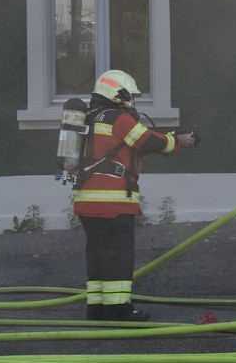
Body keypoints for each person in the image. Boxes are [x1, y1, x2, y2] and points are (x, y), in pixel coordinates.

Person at [72, 69, 197, 322]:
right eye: (128, 96)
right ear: (116, 94)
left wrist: (169, 140)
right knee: (119, 255)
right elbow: (146, 141)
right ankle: (119, 309)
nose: (130, 101)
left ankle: (96, 309)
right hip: (113, 201)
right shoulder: (118, 118)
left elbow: (127, 147)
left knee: (98, 254)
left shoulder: (88, 118)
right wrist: (179, 141)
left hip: (86, 200)